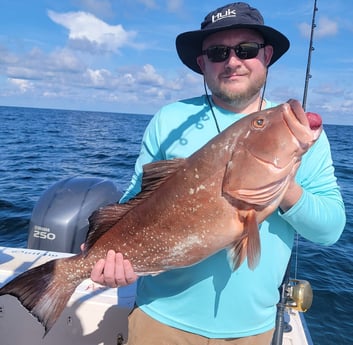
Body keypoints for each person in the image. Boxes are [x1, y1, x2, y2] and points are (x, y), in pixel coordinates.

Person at [89, 2, 346, 344]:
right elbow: (133, 201)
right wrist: (106, 258)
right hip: (159, 321)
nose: (233, 61)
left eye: (247, 49)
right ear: (202, 63)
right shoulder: (169, 119)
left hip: (253, 330)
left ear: (266, 56)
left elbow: (330, 229)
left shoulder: (295, 133)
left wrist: (278, 185)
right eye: (218, 52)